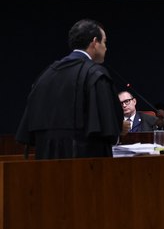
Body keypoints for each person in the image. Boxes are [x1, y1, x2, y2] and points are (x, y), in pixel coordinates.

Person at [16, 18, 124, 159]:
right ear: (94, 42)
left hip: (46, 162)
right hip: (84, 162)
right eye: (104, 42)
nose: (106, 47)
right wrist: (118, 128)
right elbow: (108, 128)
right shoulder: (95, 74)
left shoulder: (45, 75)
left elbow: (28, 132)